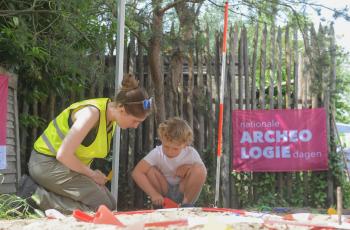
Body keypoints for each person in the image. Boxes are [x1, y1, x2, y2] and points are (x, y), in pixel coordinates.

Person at [18, 74, 151, 214]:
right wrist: (92, 175)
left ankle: (44, 197)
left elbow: (80, 154)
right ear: (122, 109)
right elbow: (64, 155)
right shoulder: (90, 114)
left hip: (61, 166)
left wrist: (91, 175)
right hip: (45, 164)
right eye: (135, 121)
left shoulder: (110, 118)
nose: (136, 126)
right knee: (103, 206)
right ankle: (34, 195)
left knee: (111, 202)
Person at [132, 117, 207, 208]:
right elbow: (137, 172)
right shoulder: (157, 153)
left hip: (184, 190)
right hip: (163, 190)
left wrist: (188, 168)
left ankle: (186, 205)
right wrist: (154, 194)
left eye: (175, 148)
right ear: (162, 139)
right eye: (166, 147)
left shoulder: (191, 153)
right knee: (148, 170)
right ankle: (160, 204)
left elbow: (201, 173)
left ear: (185, 145)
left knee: (199, 169)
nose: (170, 151)